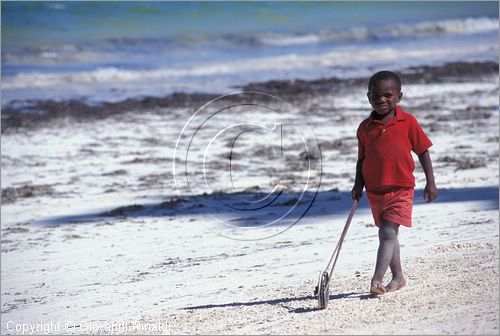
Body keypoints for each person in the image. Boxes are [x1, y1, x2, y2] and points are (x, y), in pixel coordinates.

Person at [351, 71, 438, 296]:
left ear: (399, 96)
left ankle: (376, 280)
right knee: (388, 235)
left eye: (388, 95)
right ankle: (398, 277)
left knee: (387, 233)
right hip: (374, 191)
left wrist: (431, 182)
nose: (381, 100)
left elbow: (423, 151)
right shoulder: (364, 128)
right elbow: (362, 159)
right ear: (368, 97)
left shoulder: (408, 122)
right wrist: (357, 185)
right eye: (375, 96)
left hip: (401, 188)